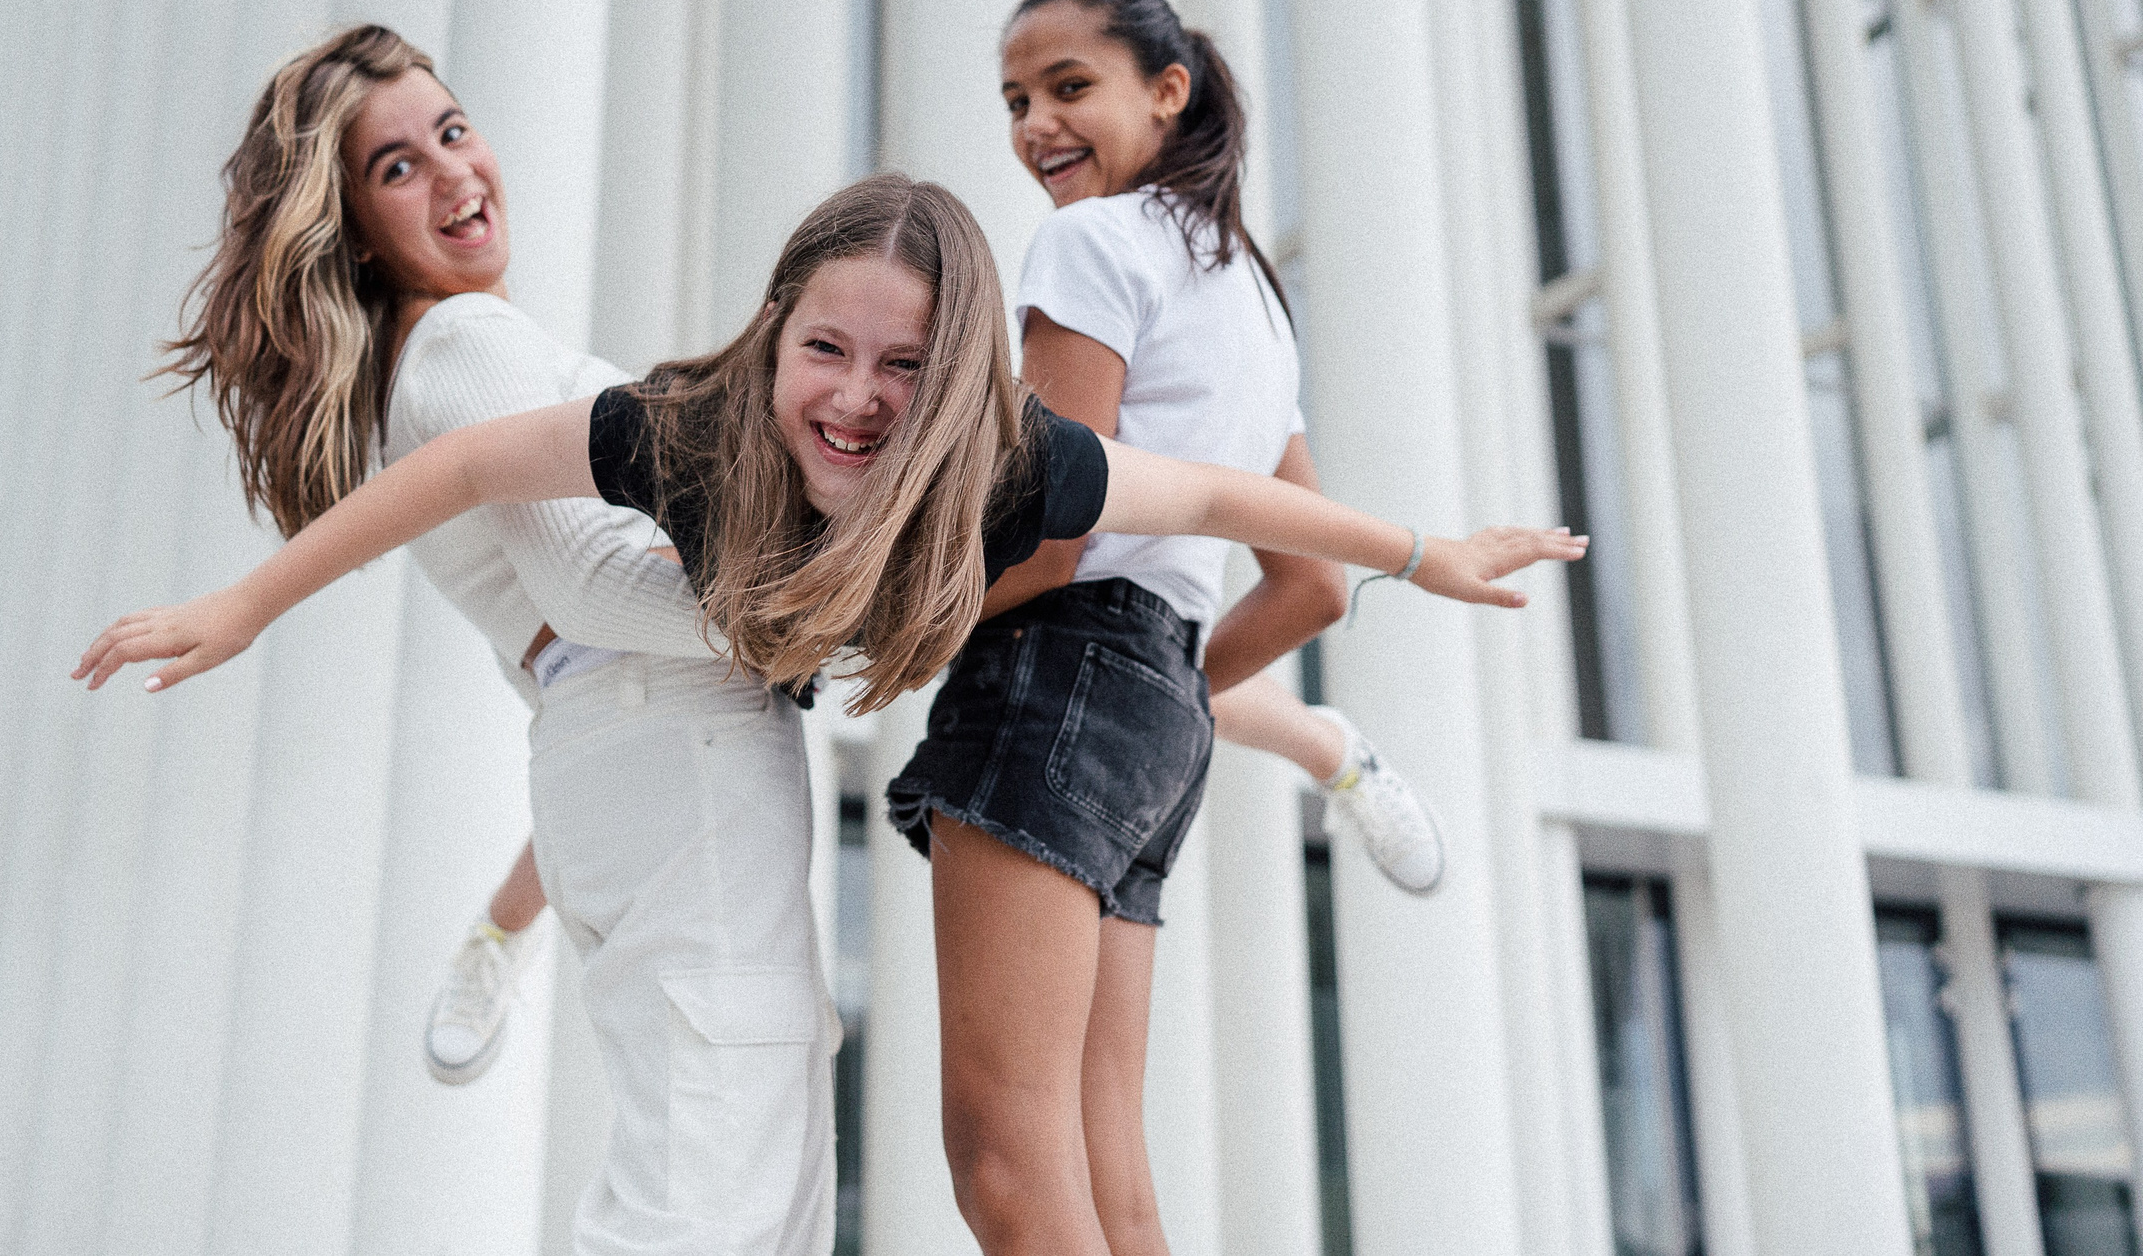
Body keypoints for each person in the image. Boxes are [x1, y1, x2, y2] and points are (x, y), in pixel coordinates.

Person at [79, 173, 1584, 1256]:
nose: (857, 397)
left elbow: (1205, 495)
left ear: (955, 384)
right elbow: (464, 467)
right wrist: (246, 604)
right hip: (751, 632)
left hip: (928, 613)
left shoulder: (1015, 462)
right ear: (774, 334)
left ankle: (1325, 743)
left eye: (905, 367)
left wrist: (1421, 551)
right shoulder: (686, 432)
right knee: (653, 675)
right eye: (827, 350)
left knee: (1095, 651)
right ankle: (500, 924)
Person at [145, 25, 835, 1255]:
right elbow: (596, 594)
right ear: (356, 228)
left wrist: (504, 923)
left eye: (452, 131)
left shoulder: (447, 355)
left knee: (728, 1178)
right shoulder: (466, 341)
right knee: (713, 1195)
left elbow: (586, 675)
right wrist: (838, 604)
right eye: (398, 166)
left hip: (631, 761)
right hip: (668, 751)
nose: (454, 173)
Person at [889, 0, 1439, 1256]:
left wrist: (898, 626)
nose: (1034, 124)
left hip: (1050, 669)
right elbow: (1309, 584)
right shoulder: (1249, 294)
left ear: (1167, 90)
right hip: (1152, 721)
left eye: (1068, 86)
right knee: (1110, 1179)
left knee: (1007, 1161)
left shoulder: (1091, 243)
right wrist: (1171, 692)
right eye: (1015, 100)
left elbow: (1054, 523)